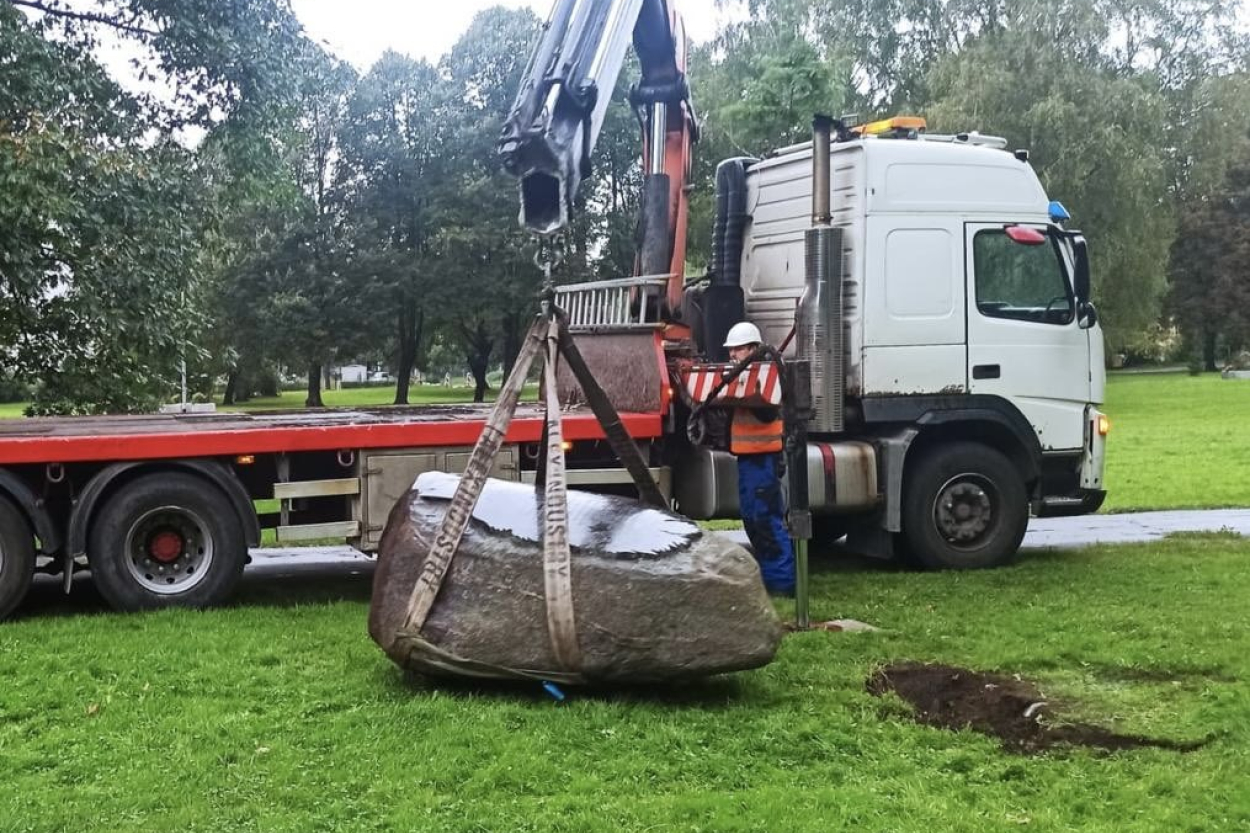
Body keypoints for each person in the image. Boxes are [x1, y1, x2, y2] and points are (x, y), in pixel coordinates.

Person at [722, 321, 796, 596]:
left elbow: (765, 412)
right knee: (753, 519)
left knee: (765, 520)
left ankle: (782, 585)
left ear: (753, 348)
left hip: (763, 460)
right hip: (748, 459)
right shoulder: (749, 375)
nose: (732, 355)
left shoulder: (766, 376)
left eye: (737, 350)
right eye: (731, 351)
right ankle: (772, 580)